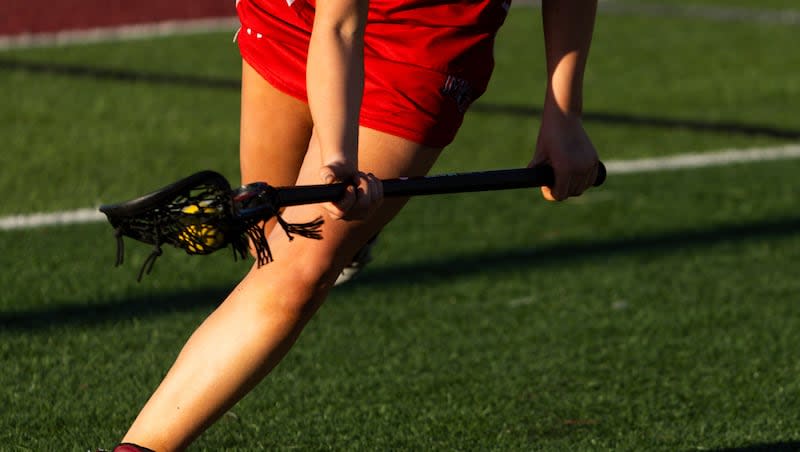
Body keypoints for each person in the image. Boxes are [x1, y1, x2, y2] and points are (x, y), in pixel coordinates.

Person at [109, 0, 600, 450]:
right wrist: (341, 162)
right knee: (270, 234)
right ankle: (352, 240)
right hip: (301, 11)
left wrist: (564, 114)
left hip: (426, 27)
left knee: (297, 269)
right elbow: (339, 26)